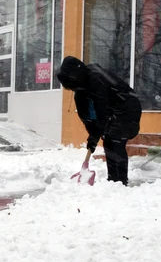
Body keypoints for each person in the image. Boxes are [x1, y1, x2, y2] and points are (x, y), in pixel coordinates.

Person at [57, 56, 142, 186]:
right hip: (114, 111)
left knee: (114, 141)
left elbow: (102, 110)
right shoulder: (80, 90)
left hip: (127, 108)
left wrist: (96, 135)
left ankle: (120, 182)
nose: (72, 88)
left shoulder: (96, 79)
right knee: (109, 141)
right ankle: (113, 181)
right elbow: (88, 118)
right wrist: (92, 137)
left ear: (76, 76)